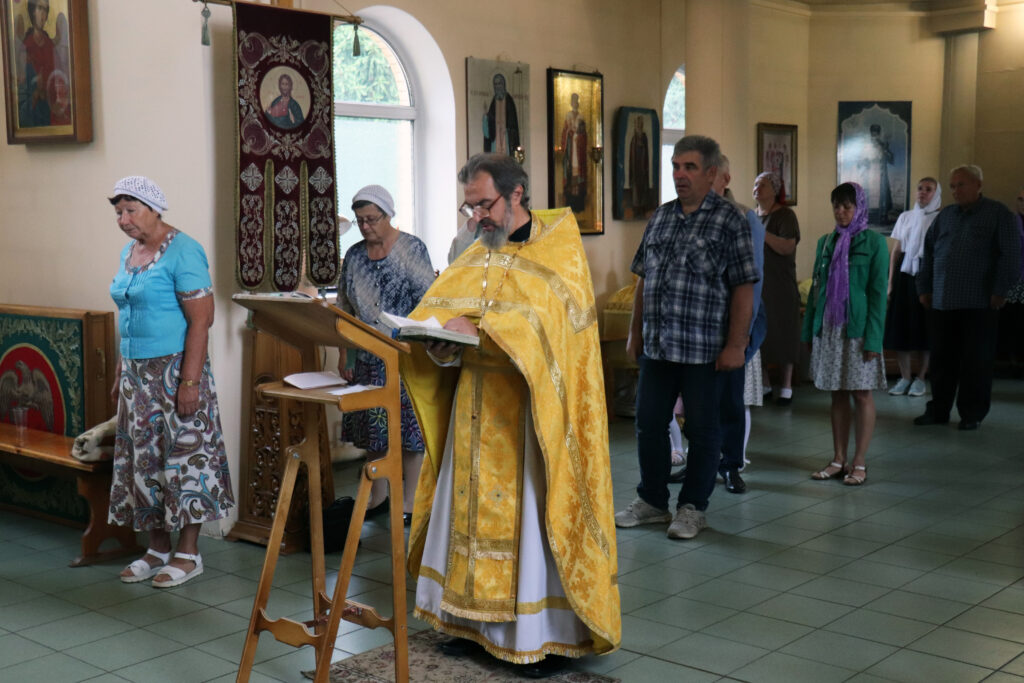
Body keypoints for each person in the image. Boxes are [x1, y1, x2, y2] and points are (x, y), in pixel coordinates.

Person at [401, 153, 620, 677]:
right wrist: (441, 344)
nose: (476, 216)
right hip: (472, 407)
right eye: (469, 206)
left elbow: (556, 335)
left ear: (516, 194)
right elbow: (441, 314)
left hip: (528, 418)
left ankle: (535, 637)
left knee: (528, 525)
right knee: (464, 518)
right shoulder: (475, 252)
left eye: (484, 204)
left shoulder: (558, 251)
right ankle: (468, 625)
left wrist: (485, 332)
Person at [616, 135, 758, 540]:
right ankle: (652, 501)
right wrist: (635, 333)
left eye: (689, 167)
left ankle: (693, 507)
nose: (680, 175)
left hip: (704, 349)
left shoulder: (730, 221)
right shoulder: (661, 217)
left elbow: (743, 287)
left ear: (711, 173)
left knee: (703, 429)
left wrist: (737, 344)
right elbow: (643, 279)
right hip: (659, 345)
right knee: (648, 424)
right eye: (676, 167)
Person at [107, 176, 234, 587]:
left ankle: (188, 553)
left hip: (176, 372)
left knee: (186, 459)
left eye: (131, 210)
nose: (123, 220)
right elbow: (128, 315)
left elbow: (202, 320)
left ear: (154, 209)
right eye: (119, 212)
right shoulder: (130, 251)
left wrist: (190, 383)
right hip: (137, 375)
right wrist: (121, 368)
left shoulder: (184, 250)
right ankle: (157, 547)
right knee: (144, 461)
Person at [336, 185, 434, 523]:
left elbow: (428, 301)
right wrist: (345, 355)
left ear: (388, 214)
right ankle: (377, 498)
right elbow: (344, 308)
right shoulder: (354, 256)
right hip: (366, 355)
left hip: (405, 354)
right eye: (360, 221)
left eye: (371, 219)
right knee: (373, 431)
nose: (365, 227)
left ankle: (409, 502)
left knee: (409, 432)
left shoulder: (411, 249)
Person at [915, 165, 1021, 430]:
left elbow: (1011, 256)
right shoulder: (946, 215)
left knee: (976, 361)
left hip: (980, 302)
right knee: (941, 360)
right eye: (952, 186)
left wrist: (1000, 290)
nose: (955, 191)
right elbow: (929, 252)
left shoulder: (998, 214)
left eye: (961, 185)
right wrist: (924, 287)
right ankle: (938, 410)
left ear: (978, 185)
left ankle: (972, 413)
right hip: (942, 301)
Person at [806, 183, 888, 486]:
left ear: (859, 208)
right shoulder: (826, 242)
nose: (841, 212)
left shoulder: (875, 243)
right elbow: (816, 291)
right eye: (836, 206)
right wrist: (809, 331)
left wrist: (874, 340)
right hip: (830, 328)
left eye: (847, 206)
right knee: (837, 393)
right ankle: (838, 459)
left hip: (859, 330)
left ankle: (859, 461)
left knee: (861, 394)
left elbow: (878, 295)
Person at [713, 155, 766, 494]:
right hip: (699, 324)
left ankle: (731, 465)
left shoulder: (745, 217)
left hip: (734, 322)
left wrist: (741, 334)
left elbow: (752, 280)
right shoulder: (691, 214)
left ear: (725, 179)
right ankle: (701, 461)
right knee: (700, 399)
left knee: (731, 398)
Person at [883, 177, 941, 396]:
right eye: (920, 188)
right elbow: (896, 251)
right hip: (905, 275)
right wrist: (890, 283)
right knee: (901, 327)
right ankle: (905, 377)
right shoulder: (905, 217)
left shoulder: (940, 218)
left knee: (925, 329)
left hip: (928, 275)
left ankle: (921, 378)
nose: (922, 192)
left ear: (936, 193)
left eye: (928, 189)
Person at [753, 171, 801, 405]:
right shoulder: (753, 215)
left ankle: (786, 386)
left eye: (762, 184)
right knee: (759, 334)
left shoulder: (785, 216)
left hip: (780, 285)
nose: (756, 188)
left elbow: (786, 247)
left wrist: (761, 232)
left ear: (774, 189)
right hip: (757, 285)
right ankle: (764, 384)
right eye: (755, 184)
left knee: (784, 334)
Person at [560, 93, 587, 212]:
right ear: (571, 103)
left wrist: (579, 135)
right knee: (571, 175)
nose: (574, 102)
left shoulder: (581, 116)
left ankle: (579, 202)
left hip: (579, 149)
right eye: (573, 100)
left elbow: (584, 133)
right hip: (571, 149)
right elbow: (564, 132)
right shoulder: (568, 115)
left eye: (576, 100)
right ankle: (571, 201)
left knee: (578, 175)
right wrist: (569, 133)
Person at [483, 73, 519, 156]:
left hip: (506, 138)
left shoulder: (509, 101)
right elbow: (489, 126)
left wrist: (508, 131)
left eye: (499, 83)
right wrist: (486, 117)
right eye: (495, 84)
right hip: (495, 139)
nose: (497, 86)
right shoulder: (493, 102)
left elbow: (513, 123)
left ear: (503, 84)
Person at [629, 116, 650, 211]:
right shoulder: (634, 138)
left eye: (640, 124)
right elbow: (632, 153)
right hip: (635, 165)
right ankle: (636, 204)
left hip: (642, 165)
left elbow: (645, 151)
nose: (638, 126)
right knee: (636, 185)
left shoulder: (644, 137)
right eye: (637, 124)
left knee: (642, 184)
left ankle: (643, 203)